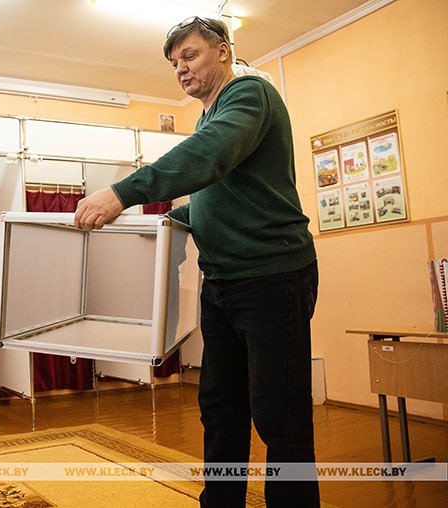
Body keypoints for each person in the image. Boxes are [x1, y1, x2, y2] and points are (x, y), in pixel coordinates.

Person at [74, 17, 319, 508]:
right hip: (223, 282)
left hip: (272, 276)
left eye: (189, 55)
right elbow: (218, 195)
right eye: (174, 63)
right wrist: (173, 220)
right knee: (220, 408)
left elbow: (210, 157)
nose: (180, 69)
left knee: (279, 415)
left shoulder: (249, 94)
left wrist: (123, 193)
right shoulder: (209, 117)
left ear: (223, 51)